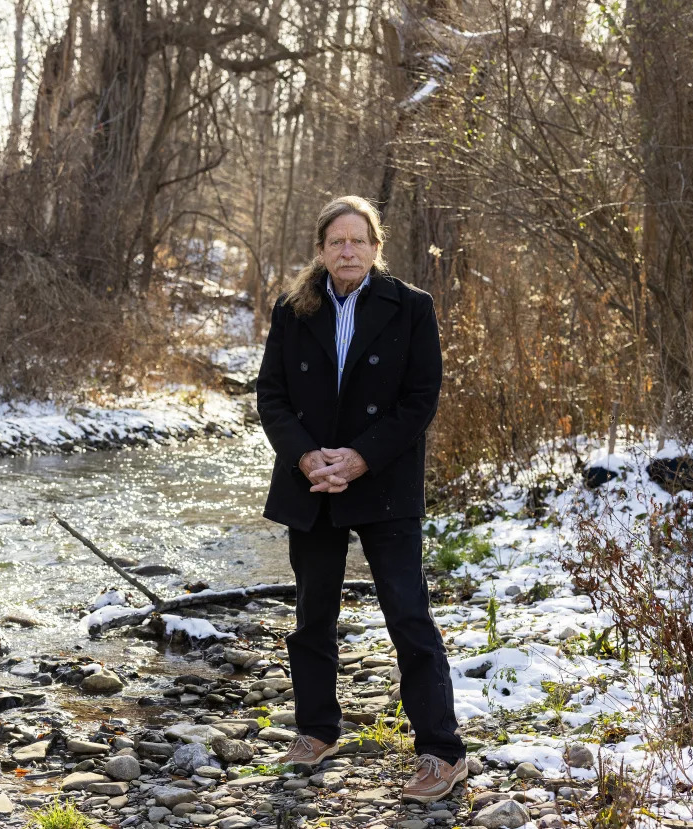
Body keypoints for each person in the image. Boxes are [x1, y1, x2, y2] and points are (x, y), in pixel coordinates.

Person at [255, 195, 467, 804]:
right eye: (336, 242)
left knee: (408, 614)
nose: (347, 251)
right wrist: (307, 457)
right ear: (321, 251)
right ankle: (316, 731)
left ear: (377, 246)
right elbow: (271, 396)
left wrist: (360, 457)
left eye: (358, 240)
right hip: (310, 481)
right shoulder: (293, 309)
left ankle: (442, 752)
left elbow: (420, 399)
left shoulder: (412, 307)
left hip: (385, 481)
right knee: (312, 614)